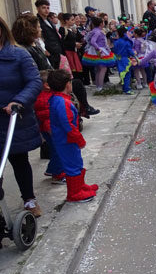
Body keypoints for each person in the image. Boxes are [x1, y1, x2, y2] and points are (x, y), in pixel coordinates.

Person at [12, 14, 100, 118]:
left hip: (49, 76)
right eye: (38, 27)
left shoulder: (34, 44)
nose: (40, 29)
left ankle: (81, 109)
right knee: (74, 84)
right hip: (44, 83)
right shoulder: (25, 50)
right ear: (31, 30)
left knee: (75, 83)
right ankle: (79, 111)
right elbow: (37, 71)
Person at [0, 16, 43, 217]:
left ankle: (29, 199)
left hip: (12, 119)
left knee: (19, 160)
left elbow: (34, 81)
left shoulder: (19, 55)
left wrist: (19, 101)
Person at [47, 69, 97, 202]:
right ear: (67, 84)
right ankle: (74, 193)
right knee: (73, 165)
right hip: (66, 140)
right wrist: (79, 139)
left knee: (76, 162)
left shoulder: (57, 99)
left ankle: (80, 186)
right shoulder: (62, 103)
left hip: (65, 139)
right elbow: (68, 125)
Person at [82, 17, 116, 91]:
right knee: (103, 68)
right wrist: (98, 49)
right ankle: (100, 86)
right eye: (103, 22)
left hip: (96, 50)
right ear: (101, 24)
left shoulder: (95, 31)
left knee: (98, 69)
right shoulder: (98, 32)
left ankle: (98, 86)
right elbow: (93, 41)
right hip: (99, 51)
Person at [35, 0, 62, 69]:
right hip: (48, 53)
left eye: (48, 8)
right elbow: (37, 38)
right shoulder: (36, 21)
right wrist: (43, 50)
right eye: (43, 8)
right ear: (38, 9)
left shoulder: (48, 20)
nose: (46, 10)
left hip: (56, 52)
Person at [112, 26, 135, 95]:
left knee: (121, 73)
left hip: (118, 59)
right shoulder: (126, 42)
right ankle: (126, 89)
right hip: (125, 59)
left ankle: (124, 86)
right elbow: (130, 51)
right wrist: (134, 54)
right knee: (127, 74)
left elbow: (114, 50)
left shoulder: (116, 42)